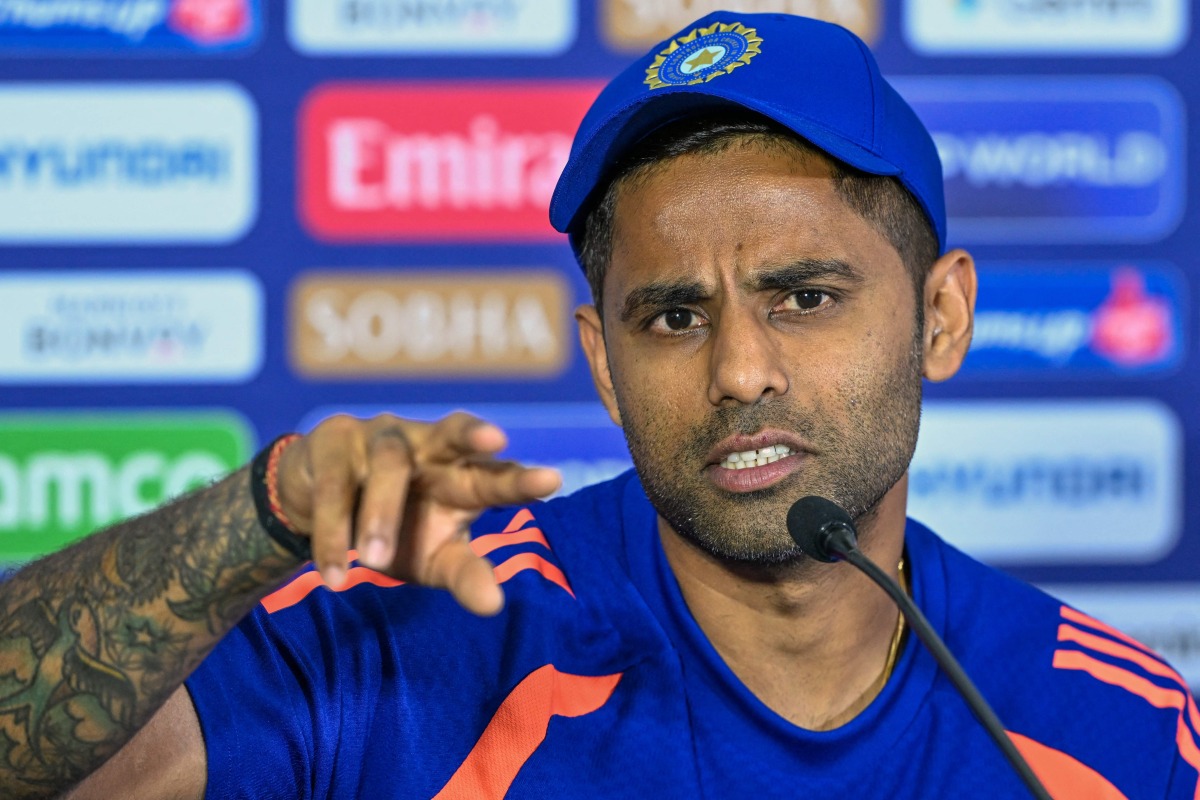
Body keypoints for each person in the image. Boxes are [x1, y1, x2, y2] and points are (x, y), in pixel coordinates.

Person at [1, 11, 1195, 799]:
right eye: (674, 317)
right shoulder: (409, 654)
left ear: (941, 316)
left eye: (805, 296)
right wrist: (252, 519)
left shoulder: (1118, 732)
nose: (738, 370)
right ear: (604, 364)